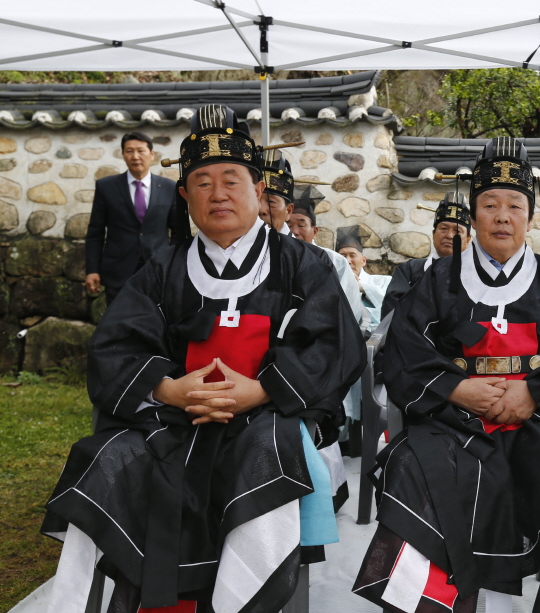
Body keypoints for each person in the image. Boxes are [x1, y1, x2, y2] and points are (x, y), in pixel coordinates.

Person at [41, 105, 366, 613]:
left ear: (259, 191)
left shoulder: (302, 265)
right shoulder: (162, 267)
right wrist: (170, 388)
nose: (218, 194)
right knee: (103, 458)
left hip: (267, 416)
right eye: (202, 182)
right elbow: (115, 348)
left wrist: (261, 389)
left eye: (231, 179)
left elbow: (333, 345)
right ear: (185, 195)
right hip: (174, 420)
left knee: (266, 454)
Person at [353, 137, 540, 613]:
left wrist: (535, 391)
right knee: (412, 467)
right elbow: (403, 353)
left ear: (529, 215)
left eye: (514, 206)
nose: (502, 216)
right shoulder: (437, 281)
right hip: (451, 420)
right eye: (489, 204)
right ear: (473, 213)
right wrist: (457, 388)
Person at [259, 152, 364, 330]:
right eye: (254, 200)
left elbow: (345, 323)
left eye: (270, 202)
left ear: (287, 211)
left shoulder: (329, 261)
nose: (261, 210)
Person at [84, 131, 175, 303]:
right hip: (118, 271)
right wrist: (92, 270)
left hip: (158, 270)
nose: (135, 156)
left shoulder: (169, 188)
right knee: (118, 324)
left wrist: (173, 265)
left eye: (141, 151)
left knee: (156, 323)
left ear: (152, 154)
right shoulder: (106, 187)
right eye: (129, 151)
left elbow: (178, 231)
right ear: (123, 154)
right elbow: (95, 233)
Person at [381, 191, 473, 319]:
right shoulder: (410, 270)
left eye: (457, 231)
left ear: (468, 239)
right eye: (444, 229)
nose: (450, 235)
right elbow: (392, 312)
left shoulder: (476, 273)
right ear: (433, 233)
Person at [337, 225, 390, 328]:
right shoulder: (332, 285)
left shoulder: (383, 281)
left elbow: (390, 309)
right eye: (342, 257)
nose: (347, 261)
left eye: (352, 255)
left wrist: (361, 287)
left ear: (363, 260)